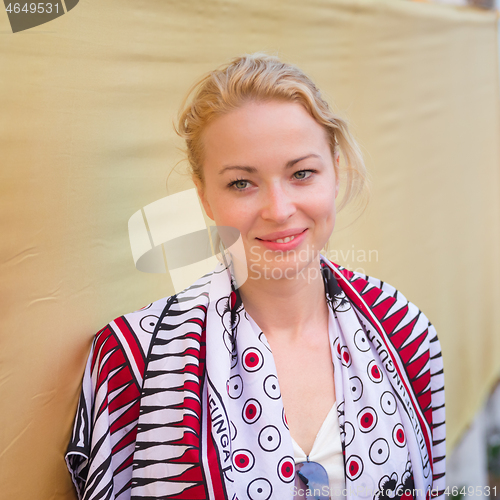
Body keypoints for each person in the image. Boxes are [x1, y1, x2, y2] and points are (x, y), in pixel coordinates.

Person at [65, 53, 446, 500]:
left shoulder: (407, 333)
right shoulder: (134, 361)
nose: (279, 210)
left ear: (335, 173)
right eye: (242, 183)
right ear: (204, 194)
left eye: (302, 173)